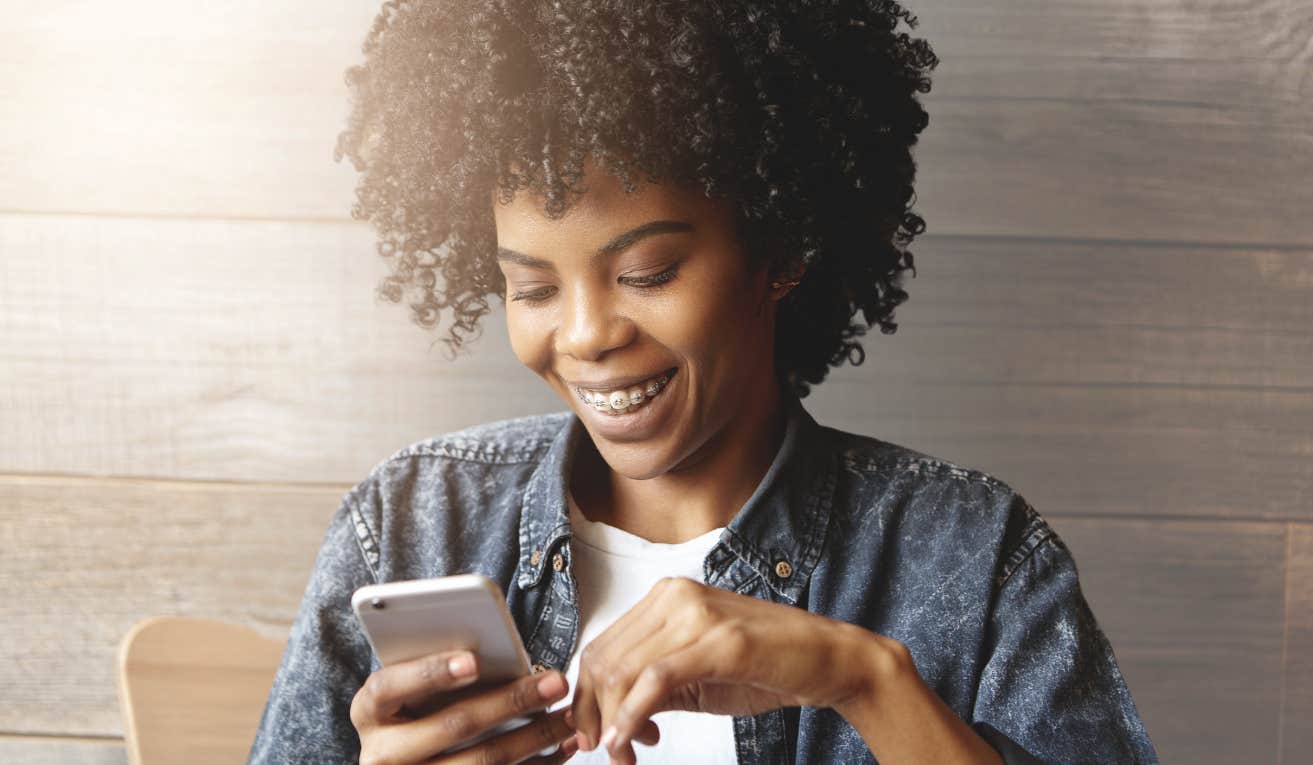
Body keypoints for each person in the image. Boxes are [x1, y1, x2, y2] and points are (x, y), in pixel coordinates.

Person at [247, 0, 1159, 763]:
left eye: (646, 273)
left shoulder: (973, 558)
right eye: (531, 286)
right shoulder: (410, 524)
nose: (586, 333)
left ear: (782, 248)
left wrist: (862, 677)